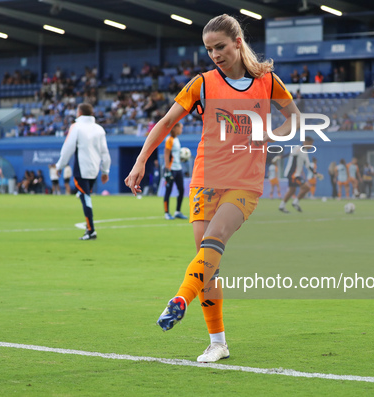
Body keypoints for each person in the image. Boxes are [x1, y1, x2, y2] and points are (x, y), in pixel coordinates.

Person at [124, 14, 297, 363]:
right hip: (205, 180)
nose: (214, 54)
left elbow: (293, 116)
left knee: (213, 241)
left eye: (220, 47)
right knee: (209, 263)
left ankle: (179, 299)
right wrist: (141, 160)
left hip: (245, 183)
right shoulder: (201, 84)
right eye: (208, 49)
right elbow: (167, 121)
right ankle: (217, 342)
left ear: (237, 42)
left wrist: (270, 136)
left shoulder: (268, 81)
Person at [56, 103, 111, 240]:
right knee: (84, 196)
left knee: (86, 198)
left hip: (81, 169)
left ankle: (91, 230)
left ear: (79, 113)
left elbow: (67, 148)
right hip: (94, 170)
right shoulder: (99, 129)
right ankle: (89, 228)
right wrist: (105, 170)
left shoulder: (76, 127)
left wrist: (59, 166)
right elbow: (105, 152)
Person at [279, 137, 318, 213]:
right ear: (305, 142)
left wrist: (315, 173)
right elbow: (290, 154)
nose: (311, 146)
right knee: (306, 187)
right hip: (293, 174)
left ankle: (282, 206)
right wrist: (280, 157)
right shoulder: (298, 148)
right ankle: (295, 202)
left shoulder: (305, 152)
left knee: (292, 190)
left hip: (296, 174)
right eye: (310, 144)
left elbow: (307, 165)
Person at [163, 123, 187, 220]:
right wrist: (167, 169)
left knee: (181, 190)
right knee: (168, 191)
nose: (182, 129)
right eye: (181, 127)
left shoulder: (177, 139)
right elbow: (166, 154)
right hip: (171, 169)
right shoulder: (170, 139)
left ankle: (177, 211)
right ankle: (167, 213)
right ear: (175, 128)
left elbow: (174, 155)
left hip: (178, 168)